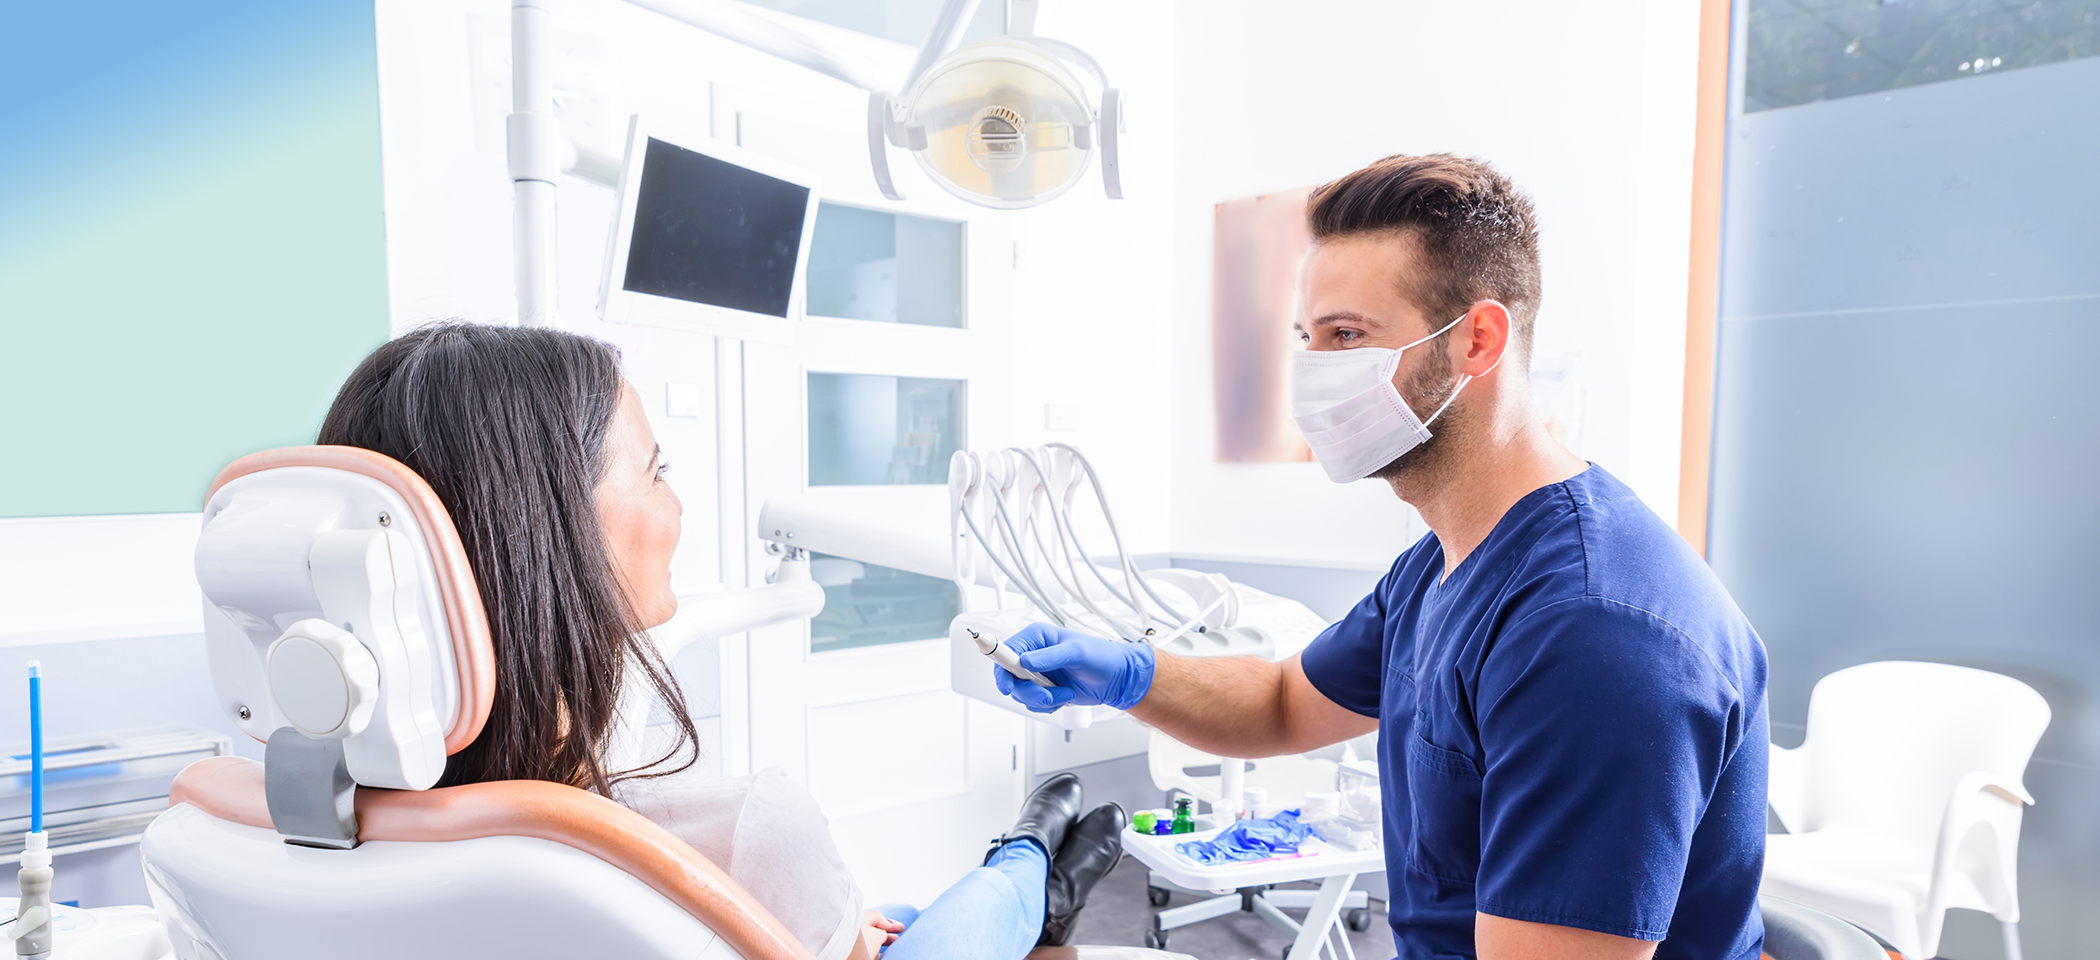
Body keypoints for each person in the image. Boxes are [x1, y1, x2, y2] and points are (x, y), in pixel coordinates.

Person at [995, 155, 1769, 960]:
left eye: (1347, 337)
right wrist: (1131, 674)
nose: (1313, 374)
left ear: (1477, 338)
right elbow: (1285, 703)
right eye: (1308, 338)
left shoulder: (1591, 632)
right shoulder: (1444, 562)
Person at [317, 322, 1125, 960]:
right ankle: (1027, 864)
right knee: (948, 927)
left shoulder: (287, 828)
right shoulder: (752, 830)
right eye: (657, 470)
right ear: (554, 536)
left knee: (892, 920)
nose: (678, 506)